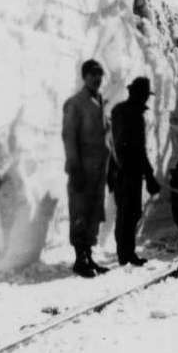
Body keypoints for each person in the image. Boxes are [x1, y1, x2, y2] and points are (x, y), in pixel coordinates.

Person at [62, 59, 110, 277]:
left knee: (93, 212)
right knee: (80, 212)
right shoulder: (76, 103)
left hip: (98, 170)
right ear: (84, 77)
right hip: (82, 168)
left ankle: (88, 255)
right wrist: (74, 167)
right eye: (92, 75)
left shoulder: (99, 101)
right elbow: (69, 137)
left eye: (99, 75)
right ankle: (80, 259)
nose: (97, 79)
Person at [109, 76, 161, 266]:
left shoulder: (118, 111)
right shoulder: (134, 116)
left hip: (117, 169)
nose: (146, 99)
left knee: (125, 212)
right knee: (130, 213)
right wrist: (150, 176)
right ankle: (126, 255)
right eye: (145, 95)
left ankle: (124, 252)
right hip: (129, 171)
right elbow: (137, 149)